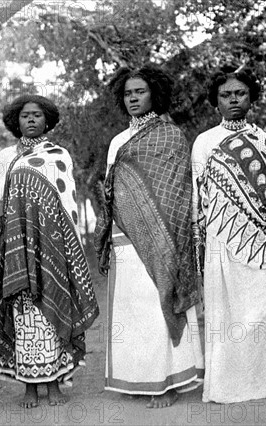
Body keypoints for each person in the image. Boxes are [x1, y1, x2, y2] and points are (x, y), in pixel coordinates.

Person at [191, 65, 266, 403]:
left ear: (251, 98)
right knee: (226, 315)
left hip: (264, 244)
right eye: (226, 95)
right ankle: (227, 385)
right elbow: (200, 197)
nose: (234, 100)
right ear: (216, 102)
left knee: (262, 314)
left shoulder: (264, 141)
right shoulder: (204, 142)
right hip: (220, 241)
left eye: (240, 93)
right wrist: (203, 242)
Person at [94, 65, 204, 408]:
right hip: (123, 237)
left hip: (163, 238)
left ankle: (166, 384)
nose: (133, 98)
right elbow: (112, 190)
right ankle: (139, 378)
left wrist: (169, 235)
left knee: (158, 308)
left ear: (154, 94)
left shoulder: (171, 136)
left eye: (140, 92)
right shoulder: (117, 142)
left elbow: (177, 193)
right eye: (128, 93)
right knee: (132, 312)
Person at [0, 94, 99, 408]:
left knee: (51, 310)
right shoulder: (5, 157)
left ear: (47, 120)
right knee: (23, 314)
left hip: (52, 247)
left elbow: (68, 205)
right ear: (16, 121)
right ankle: (28, 387)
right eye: (25, 115)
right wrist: (1, 244)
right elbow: (1, 204)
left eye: (38, 115)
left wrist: (66, 247)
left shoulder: (59, 155)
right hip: (17, 247)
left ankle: (53, 386)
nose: (32, 120)